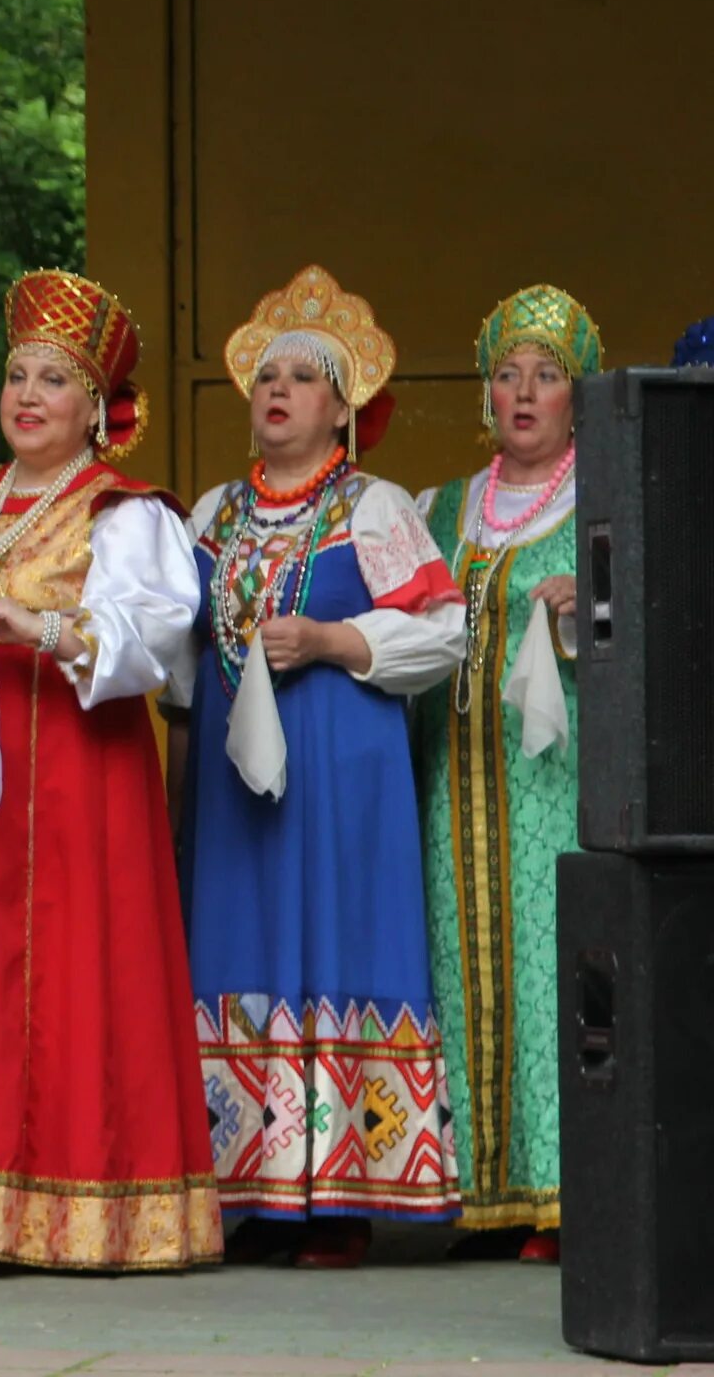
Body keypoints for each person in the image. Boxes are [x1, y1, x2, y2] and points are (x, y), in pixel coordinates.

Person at [0, 272, 219, 1270]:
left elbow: (160, 634)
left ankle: (55, 1209)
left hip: (63, 783)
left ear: (97, 411)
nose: (28, 393)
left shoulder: (122, 511)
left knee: (54, 980)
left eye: (55, 379)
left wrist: (48, 625)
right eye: (17, 373)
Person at [173, 265, 466, 1266]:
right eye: (265, 375)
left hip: (342, 770)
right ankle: (249, 1182)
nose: (277, 389)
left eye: (303, 375)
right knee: (237, 950)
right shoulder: (211, 512)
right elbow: (170, 648)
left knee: (341, 943)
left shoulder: (375, 508)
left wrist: (337, 640)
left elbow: (445, 632)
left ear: (345, 407)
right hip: (232, 781)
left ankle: (340, 1195)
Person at [417, 286, 602, 1262]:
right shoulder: (439, 507)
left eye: (548, 374)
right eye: (507, 372)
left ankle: (559, 1192)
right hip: (451, 779)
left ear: (578, 396)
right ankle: (475, 1190)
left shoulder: (607, 500)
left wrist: (592, 607)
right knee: (456, 966)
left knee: (549, 968)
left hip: (553, 787)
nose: (524, 391)